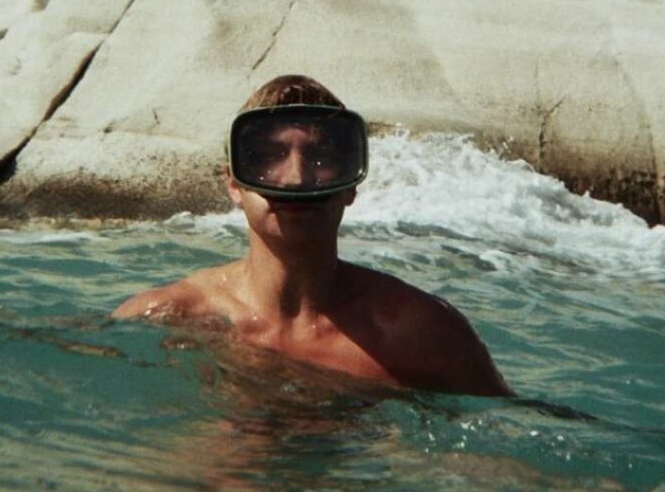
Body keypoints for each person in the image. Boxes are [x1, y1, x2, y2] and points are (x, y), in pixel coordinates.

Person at [115, 74, 513, 398]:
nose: (295, 179)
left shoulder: (422, 334)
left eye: (321, 158)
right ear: (234, 184)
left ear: (351, 184)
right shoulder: (168, 317)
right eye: (269, 157)